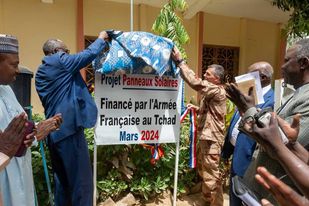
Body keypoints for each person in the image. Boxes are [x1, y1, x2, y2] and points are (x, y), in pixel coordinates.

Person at [225, 38, 309, 205]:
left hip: (275, 192)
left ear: (303, 63)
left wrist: (248, 109)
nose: (282, 67)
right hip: (258, 186)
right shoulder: (297, 94)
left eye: (286, 61)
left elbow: (284, 143)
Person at [35, 31, 109, 206]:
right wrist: (101, 38)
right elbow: (87, 55)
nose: (67, 55)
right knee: (81, 185)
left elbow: (61, 95)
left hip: (55, 135)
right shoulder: (59, 60)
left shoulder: (42, 72)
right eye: (66, 51)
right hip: (69, 132)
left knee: (63, 184)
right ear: (57, 51)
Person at [0, 34, 62, 206]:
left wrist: (36, 130)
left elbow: (14, 132)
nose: (17, 70)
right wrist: (3, 150)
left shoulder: (7, 91)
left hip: (20, 179)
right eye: (14, 64)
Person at [172, 47, 226, 206]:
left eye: (208, 74)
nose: (204, 75)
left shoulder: (216, 90)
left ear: (216, 78)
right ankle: (211, 202)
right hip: (207, 139)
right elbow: (211, 113)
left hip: (211, 141)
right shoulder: (212, 93)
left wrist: (181, 62)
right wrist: (194, 109)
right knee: (208, 174)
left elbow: (195, 82)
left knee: (210, 177)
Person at [222, 62, 275, 206]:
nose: (243, 78)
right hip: (237, 158)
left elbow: (261, 132)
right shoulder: (246, 96)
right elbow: (236, 125)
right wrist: (227, 152)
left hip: (251, 165)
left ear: (263, 78)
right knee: (234, 200)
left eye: (249, 75)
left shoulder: (272, 101)